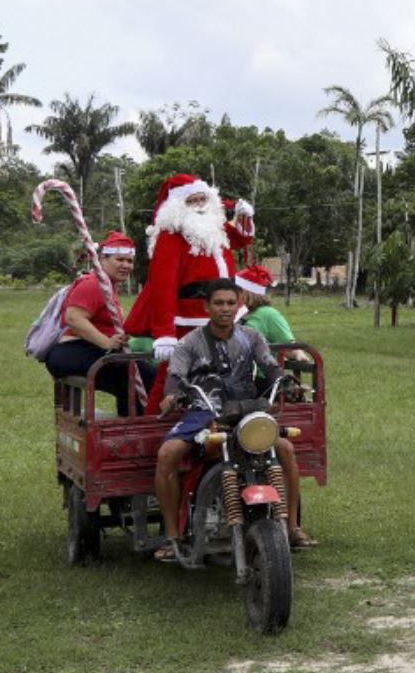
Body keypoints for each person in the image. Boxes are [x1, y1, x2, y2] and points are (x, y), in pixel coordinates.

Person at [152, 279, 315, 558]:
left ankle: (292, 526)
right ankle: (172, 537)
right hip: (204, 410)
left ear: (238, 304)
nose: (225, 309)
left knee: (286, 450)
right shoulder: (189, 343)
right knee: (167, 454)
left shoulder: (251, 337)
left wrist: (284, 381)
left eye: (230, 303)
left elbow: (269, 366)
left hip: (246, 410)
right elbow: (174, 377)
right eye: (218, 303)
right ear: (207, 307)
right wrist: (171, 395)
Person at [124, 173, 255, 409]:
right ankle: (154, 426)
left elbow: (239, 239)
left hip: (224, 312)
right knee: (174, 375)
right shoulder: (170, 236)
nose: (199, 205)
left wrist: (243, 217)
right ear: (176, 205)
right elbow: (162, 285)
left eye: (202, 199)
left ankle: (224, 417)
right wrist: (164, 332)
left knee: (226, 371)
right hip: (188, 318)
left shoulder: (215, 228)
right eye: (192, 201)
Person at [43, 231, 153, 413]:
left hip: (88, 351)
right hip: (72, 352)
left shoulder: (109, 285)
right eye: (120, 260)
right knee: (143, 373)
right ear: (102, 259)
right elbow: (73, 318)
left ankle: (129, 426)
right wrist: (107, 342)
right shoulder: (94, 284)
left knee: (135, 376)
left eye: (130, 261)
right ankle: (135, 429)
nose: (126, 265)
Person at [235, 265, 294, 344]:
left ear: (248, 292)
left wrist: (299, 354)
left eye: (237, 289)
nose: (233, 293)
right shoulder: (239, 312)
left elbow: (291, 347)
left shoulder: (268, 314)